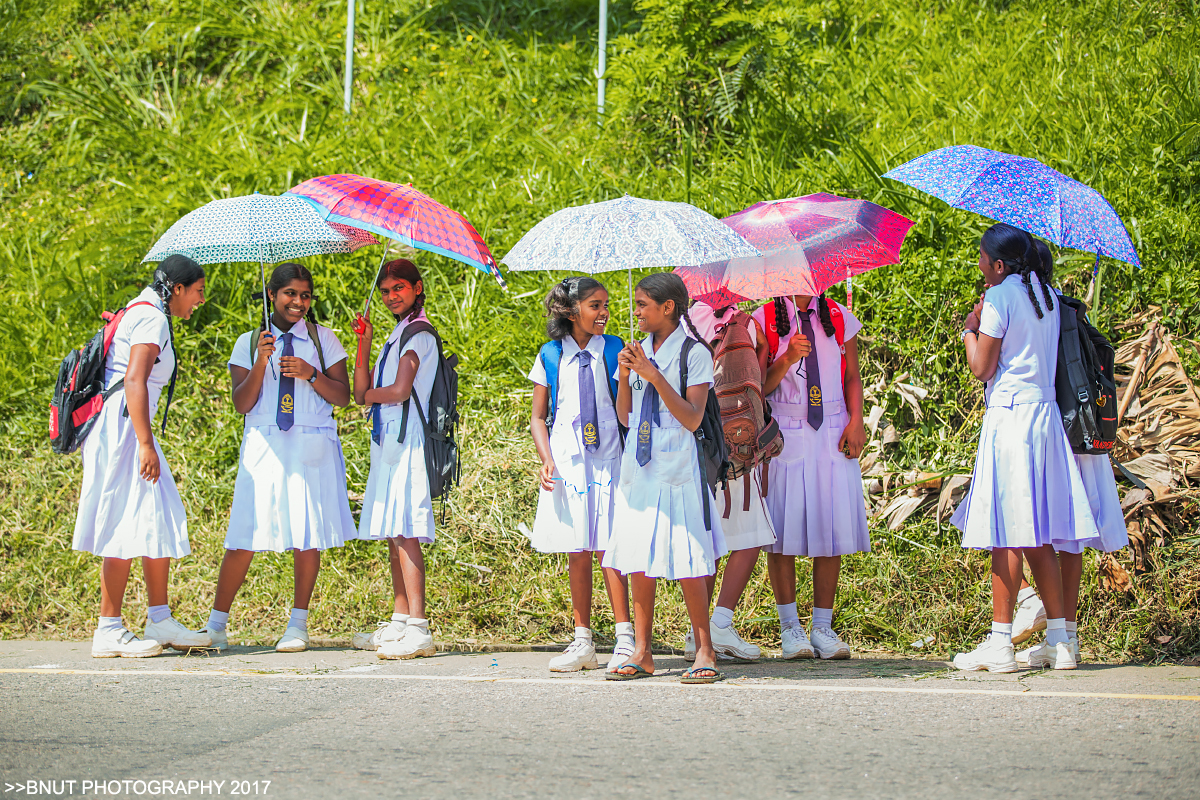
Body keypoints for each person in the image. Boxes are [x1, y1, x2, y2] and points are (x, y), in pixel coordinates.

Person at [951, 224, 1102, 672]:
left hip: (1012, 420)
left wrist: (969, 329)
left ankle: (1000, 645)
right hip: (1045, 418)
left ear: (998, 264)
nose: (979, 266)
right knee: (1037, 535)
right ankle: (1061, 640)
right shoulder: (1046, 294)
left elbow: (981, 367)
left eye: (982, 258)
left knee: (1007, 533)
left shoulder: (1000, 297)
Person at [202, 263, 356, 653]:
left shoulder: (323, 340)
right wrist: (259, 360)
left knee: (307, 536)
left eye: (305, 296)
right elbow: (242, 402)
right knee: (244, 535)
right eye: (290, 294)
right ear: (272, 294)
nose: (298, 302)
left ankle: (298, 624)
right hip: (265, 444)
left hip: (309, 442)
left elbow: (342, 395)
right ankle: (216, 625)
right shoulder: (250, 340)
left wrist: (310, 372)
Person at [73, 254, 212, 658]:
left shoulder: (142, 308)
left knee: (158, 516)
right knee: (124, 520)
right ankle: (109, 627)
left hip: (124, 428)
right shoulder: (151, 317)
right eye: (199, 292)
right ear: (179, 289)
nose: (199, 300)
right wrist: (146, 444)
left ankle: (159, 617)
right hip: (125, 433)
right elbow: (134, 379)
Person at [604, 273, 729, 683]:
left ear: (668, 307)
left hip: (678, 461)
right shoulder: (636, 352)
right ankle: (642, 651)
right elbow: (625, 416)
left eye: (642, 304)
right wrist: (625, 377)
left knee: (689, 556)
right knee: (638, 556)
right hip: (639, 462)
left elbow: (693, 418)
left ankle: (704, 648)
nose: (635, 311)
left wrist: (653, 374)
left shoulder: (694, 353)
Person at [1012, 241, 1129, 666]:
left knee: (1024, 521)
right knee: (1070, 536)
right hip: (1081, 429)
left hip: (1052, 430)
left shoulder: (1030, 309)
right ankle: (1066, 639)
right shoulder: (1066, 308)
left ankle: (1042, 612)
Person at [751, 291, 866, 659]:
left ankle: (822, 627)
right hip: (785, 426)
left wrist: (856, 421)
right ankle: (790, 627)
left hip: (832, 428)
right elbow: (759, 386)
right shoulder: (764, 316)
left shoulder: (839, 315)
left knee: (830, 528)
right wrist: (785, 359)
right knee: (782, 530)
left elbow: (852, 377)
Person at [528, 277, 632, 672]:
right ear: (572, 312)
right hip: (570, 461)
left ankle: (625, 638)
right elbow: (539, 417)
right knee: (578, 549)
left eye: (606, 304)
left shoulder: (617, 349)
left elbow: (626, 411)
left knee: (611, 547)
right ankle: (583, 640)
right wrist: (546, 457)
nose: (604, 312)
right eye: (595, 305)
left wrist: (627, 373)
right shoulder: (551, 355)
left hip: (609, 458)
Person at [683, 301, 782, 662]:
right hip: (737, 447)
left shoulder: (683, 322)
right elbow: (759, 385)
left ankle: (700, 633)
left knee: (708, 539)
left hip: (700, 445)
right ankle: (720, 623)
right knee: (752, 535)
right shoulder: (746, 323)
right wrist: (767, 353)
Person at [352, 259, 439, 660]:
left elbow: (399, 391)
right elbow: (362, 387)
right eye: (386, 291)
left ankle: (419, 626)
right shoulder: (396, 333)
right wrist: (364, 342)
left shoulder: (418, 333)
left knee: (406, 529)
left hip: (408, 441)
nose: (390, 296)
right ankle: (400, 619)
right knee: (393, 530)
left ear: (417, 288)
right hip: (388, 441)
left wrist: (368, 397)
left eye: (399, 288)